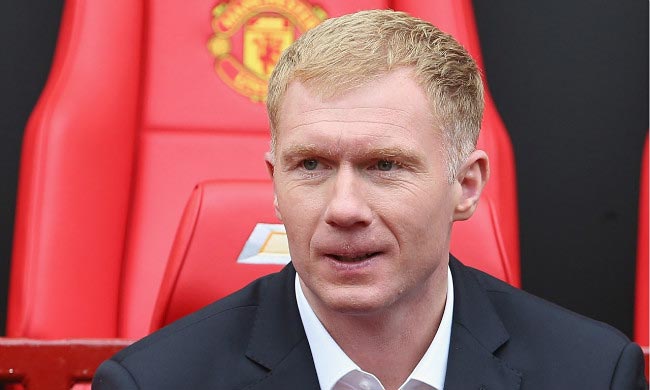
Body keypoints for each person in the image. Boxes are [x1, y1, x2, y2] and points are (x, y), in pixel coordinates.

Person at [93, 9, 647, 390]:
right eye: (310, 166)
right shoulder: (155, 381)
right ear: (274, 184)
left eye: (384, 165)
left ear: (467, 185)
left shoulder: (591, 372)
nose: (343, 208)